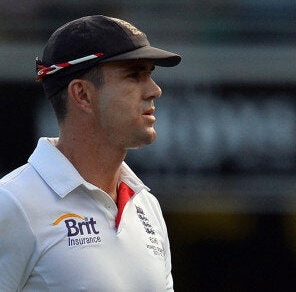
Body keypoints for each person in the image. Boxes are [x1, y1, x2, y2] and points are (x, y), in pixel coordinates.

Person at [0, 15, 181, 290]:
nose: (154, 90)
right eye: (134, 75)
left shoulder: (146, 206)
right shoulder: (12, 203)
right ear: (82, 95)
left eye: (150, 74)